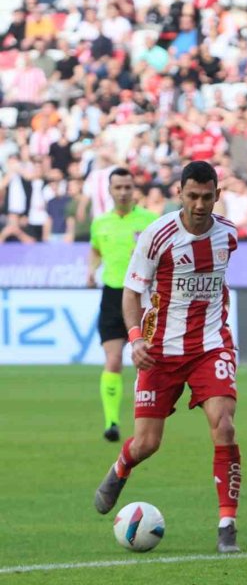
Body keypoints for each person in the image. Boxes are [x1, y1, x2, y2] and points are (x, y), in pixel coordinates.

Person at [92, 161, 243, 555]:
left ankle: (227, 525)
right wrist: (136, 339)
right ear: (180, 193)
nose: (199, 204)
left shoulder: (228, 234)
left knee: (224, 426)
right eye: (192, 196)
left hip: (211, 345)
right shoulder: (157, 236)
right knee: (147, 443)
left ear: (217, 195)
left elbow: (219, 283)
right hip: (159, 351)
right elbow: (131, 292)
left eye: (207, 197)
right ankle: (121, 466)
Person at [87, 168, 158, 442]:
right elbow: (95, 249)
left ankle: (150, 419)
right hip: (112, 295)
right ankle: (111, 422)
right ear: (110, 190)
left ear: (134, 189)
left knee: (147, 362)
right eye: (118, 187)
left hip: (142, 296)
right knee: (114, 359)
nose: (123, 192)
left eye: (128, 187)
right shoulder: (100, 223)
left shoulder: (150, 221)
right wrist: (91, 270)